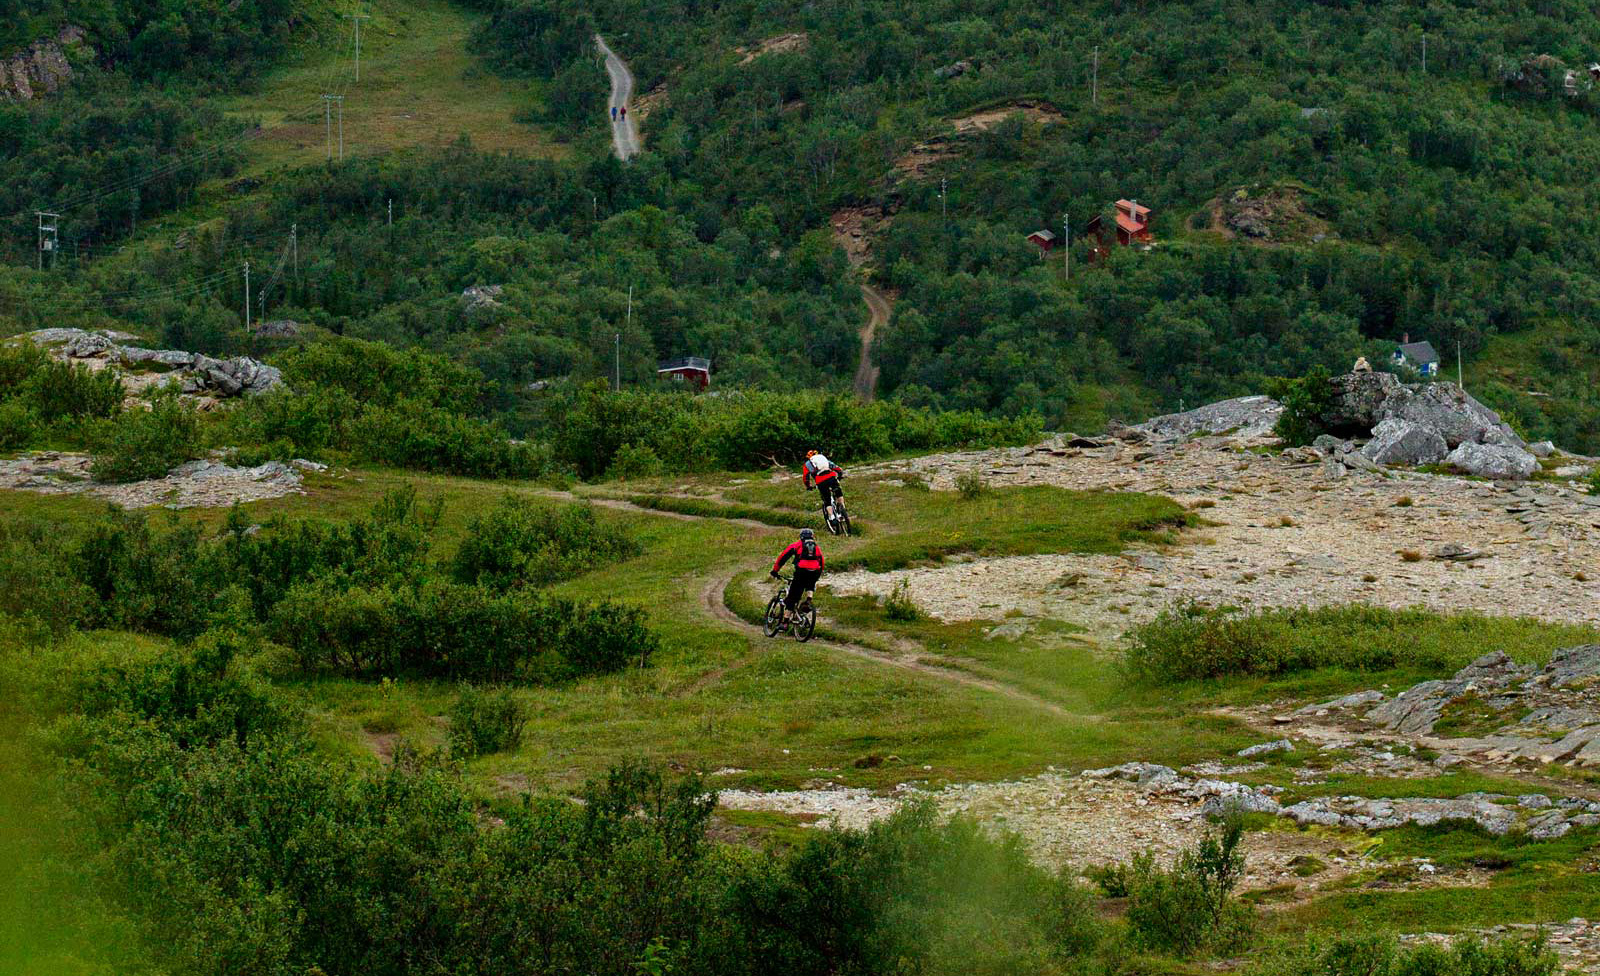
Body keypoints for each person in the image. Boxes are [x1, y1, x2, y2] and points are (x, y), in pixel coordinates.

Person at [770, 528, 824, 630]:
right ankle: (808, 600)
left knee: (793, 597)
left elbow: (783, 557)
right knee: (810, 583)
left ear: (801, 536)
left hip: (801, 571)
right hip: (815, 571)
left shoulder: (797, 545)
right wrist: (818, 574)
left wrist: (775, 570)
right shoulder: (816, 547)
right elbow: (822, 561)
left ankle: (785, 622)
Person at [802, 449, 845, 523]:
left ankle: (832, 517)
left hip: (821, 481)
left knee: (827, 500)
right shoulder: (823, 459)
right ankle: (843, 511)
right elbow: (835, 467)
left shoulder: (807, 464)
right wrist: (840, 475)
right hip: (831, 477)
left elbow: (806, 477)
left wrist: (808, 486)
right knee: (838, 494)